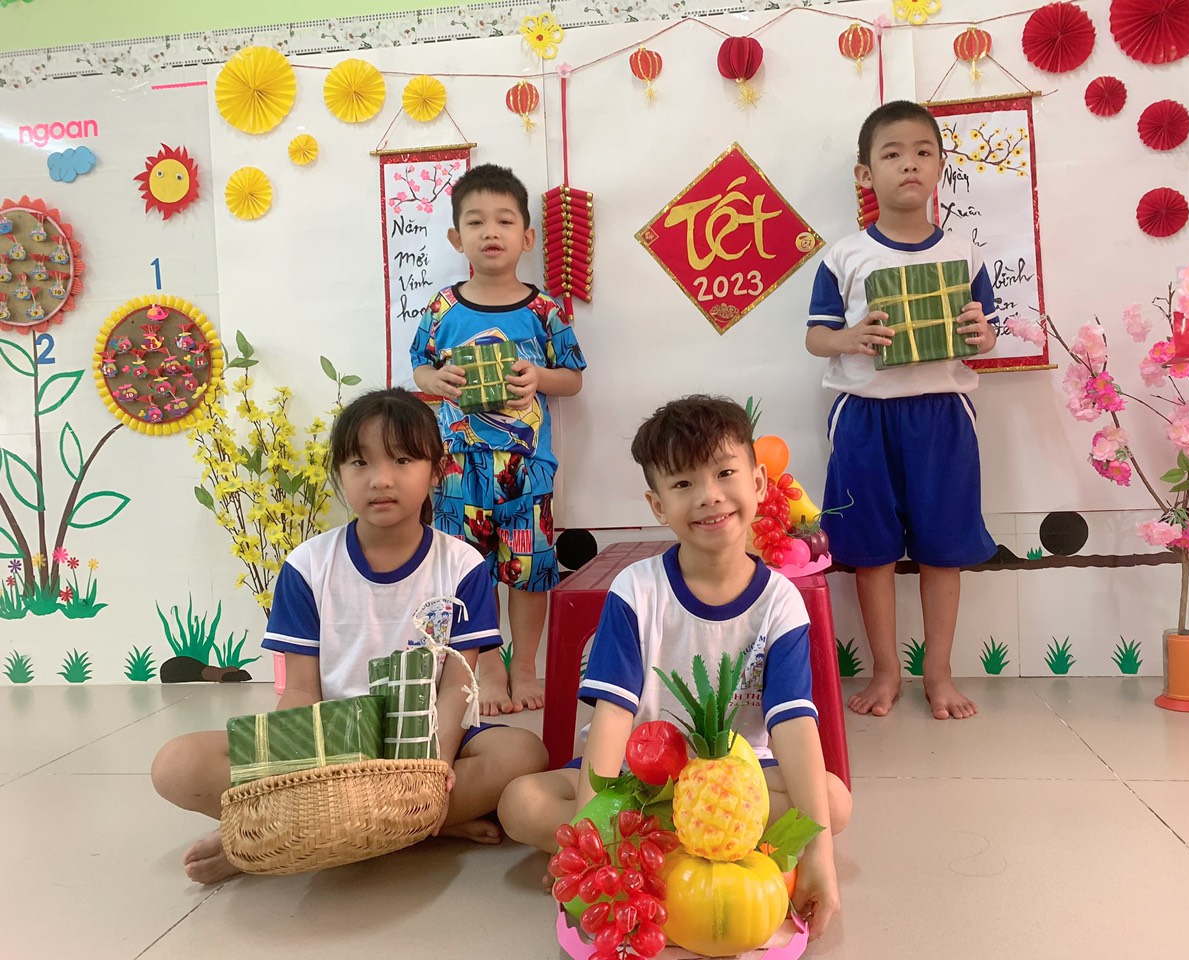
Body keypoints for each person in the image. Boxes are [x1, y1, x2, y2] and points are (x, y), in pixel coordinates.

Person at [151, 388, 548, 884]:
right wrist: (297, 775)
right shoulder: (308, 565)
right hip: (333, 742)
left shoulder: (461, 564)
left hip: (422, 742)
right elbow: (301, 690)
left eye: (402, 459)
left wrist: (431, 770)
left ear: (437, 470)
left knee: (522, 754)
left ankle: (281, 838)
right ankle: (416, 827)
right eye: (360, 462)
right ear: (339, 472)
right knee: (177, 764)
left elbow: (457, 686)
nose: (381, 479)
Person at [498, 395, 851, 939]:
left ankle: (656, 856)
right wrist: (591, 847)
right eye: (683, 483)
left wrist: (821, 859)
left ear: (759, 482)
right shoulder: (636, 590)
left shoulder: (781, 602)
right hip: (640, 784)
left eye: (725, 473)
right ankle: (694, 858)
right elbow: (612, 722)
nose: (709, 495)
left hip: (736, 785)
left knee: (834, 802)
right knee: (520, 803)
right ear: (658, 504)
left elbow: (794, 726)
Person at [805, 100, 999, 721]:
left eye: (922, 152)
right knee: (871, 550)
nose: (908, 164)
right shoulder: (844, 256)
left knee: (945, 548)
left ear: (940, 166)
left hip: (943, 418)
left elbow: (986, 331)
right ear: (866, 174)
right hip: (865, 417)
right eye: (892, 154)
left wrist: (984, 336)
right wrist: (850, 337)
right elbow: (816, 337)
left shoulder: (965, 254)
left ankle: (938, 674)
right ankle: (885, 672)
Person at [411, 164, 585, 716]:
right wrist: (436, 381)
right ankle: (487, 669)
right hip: (457, 466)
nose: (491, 232)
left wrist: (539, 378)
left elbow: (573, 378)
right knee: (469, 570)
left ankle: (525, 666)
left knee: (530, 572)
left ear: (527, 237)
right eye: (476, 221)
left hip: (526, 465)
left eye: (505, 221)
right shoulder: (442, 308)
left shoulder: (543, 310)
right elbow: (419, 368)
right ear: (455, 237)